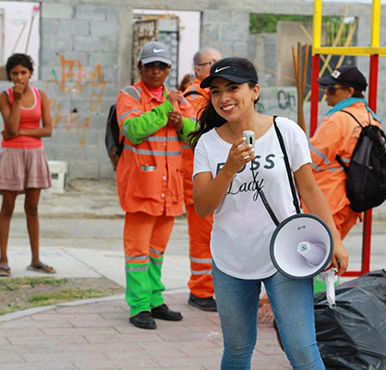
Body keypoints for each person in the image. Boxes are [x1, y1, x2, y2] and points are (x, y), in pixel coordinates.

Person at [190, 57, 348, 369]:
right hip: (231, 260)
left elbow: (310, 191)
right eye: (217, 91)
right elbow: (203, 206)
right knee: (237, 350)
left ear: (255, 91)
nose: (224, 98)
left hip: (286, 257)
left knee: (302, 350)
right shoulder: (208, 144)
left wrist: (335, 240)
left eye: (233, 88)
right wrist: (230, 170)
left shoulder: (285, 131)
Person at [115, 41, 195, 329]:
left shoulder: (177, 100)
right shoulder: (130, 96)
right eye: (150, 66)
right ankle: (138, 306)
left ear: (169, 69)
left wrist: (180, 123)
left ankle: (154, 299)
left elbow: (196, 133)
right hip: (141, 187)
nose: (156, 71)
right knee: (137, 251)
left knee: (157, 250)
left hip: (169, 188)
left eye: (161, 66)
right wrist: (166, 111)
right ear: (140, 68)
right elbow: (133, 130)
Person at [0, 53, 55, 277]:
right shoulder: (4, 97)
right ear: (9, 75)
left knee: (33, 208)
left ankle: (35, 259)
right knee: (7, 207)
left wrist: (21, 132)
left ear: (31, 74)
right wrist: (16, 100)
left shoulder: (41, 95)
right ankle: (3, 259)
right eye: (15, 73)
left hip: (35, 155)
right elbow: (10, 126)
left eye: (23, 73)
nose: (19, 77)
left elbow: (47, 130)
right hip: (12, 155)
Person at [309, 65, 382, 240]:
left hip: (328, 201)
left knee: (318, 257)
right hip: (351, 202)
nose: (327, 93)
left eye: (332, 89)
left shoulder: (338, 119)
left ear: (349, 91)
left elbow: (309, 161)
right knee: (332, 252)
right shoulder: (372, 119)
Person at [181, 48, 222, 311]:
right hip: (197, 181)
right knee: (202, 238)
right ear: (198, 70)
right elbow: (198, 134)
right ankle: (201, 290)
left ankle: (209, 287)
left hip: (214, 179)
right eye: (212, 63)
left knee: (213, 236)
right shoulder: (194, 98)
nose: (218, 67)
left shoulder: (211, 95)